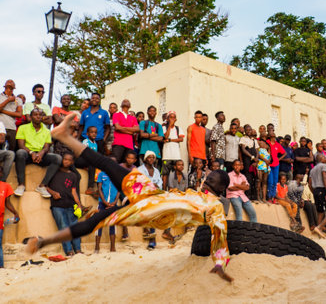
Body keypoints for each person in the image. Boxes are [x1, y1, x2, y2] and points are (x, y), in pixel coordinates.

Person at [27, 113, 233, 282]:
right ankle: (43, 241)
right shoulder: (196, 192)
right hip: (152, 195)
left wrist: (219, 264)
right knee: (108, 168)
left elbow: (220, 234)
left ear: (220, 187)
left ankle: (46, 240)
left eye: (212, 178)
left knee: (100, 218)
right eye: (209, 175)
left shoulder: (214, 206)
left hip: (155, 210)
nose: (208, 177)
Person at [15, 108, 62, 198]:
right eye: (35, 114)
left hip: (41, 155)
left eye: (40, 115)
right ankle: (21, 185)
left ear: (43, 117)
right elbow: (21, 145)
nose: (38, 116)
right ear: (31, 116)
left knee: (57, 158)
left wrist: (41, 153)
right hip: (27, 154)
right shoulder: (23, 128)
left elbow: (46, 147)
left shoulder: (47, 131)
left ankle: (42, 186)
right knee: (20, 153)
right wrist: (32, 153)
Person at [46, 153, 82, 256]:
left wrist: (79, 204)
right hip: (57, 206)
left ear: (72, 162)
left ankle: (78, 250)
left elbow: (73, 191)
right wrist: (53, 193)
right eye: (64, 159)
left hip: (70, 205)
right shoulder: (54, 172)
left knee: (75, 229)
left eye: (68, 160)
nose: (66, 161)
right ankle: (69, 251)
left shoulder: (73, 175)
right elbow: (44, 186)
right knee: (63, 228)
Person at [138, 151, 162, 249]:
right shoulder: (140, 170)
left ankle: (151, 236)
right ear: (145, 159)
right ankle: (151, 239)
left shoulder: (156, 171)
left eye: (153, 157)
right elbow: (139, 183)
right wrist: (150, 185)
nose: (151, 159)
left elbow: (160, 183)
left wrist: (155, 186)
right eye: (149, 157)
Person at [95, 169, 119, 253]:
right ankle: (97, 247)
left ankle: (112, 247)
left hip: (113, 203)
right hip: (102, 203)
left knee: (112, 224)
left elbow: (119, 190)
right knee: (99, 224)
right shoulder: (101, 174)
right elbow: (99, 188)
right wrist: (105, 202)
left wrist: (115, 202)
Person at [0, 165, 19, 268]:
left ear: (2, 174)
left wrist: (15, 212)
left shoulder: (5, 186)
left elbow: (7, 203)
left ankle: (1, 267)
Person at [161, 111, 184, 190]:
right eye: (170, 117)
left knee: (176, 173)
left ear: (176, 119)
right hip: (166, 155)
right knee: (165, 174)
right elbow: (165, 137)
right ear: (167, 119)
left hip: (176, 155)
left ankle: (175, 190)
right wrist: (170, 126)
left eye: (174, 117)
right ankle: (164, 191)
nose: (172, 119)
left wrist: (170, 140)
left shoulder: (178, 128)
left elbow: (181, 139)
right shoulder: (164, 128)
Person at [0, 80, 23, 151]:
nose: (10, 82)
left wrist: (2, 111)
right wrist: (8, 100)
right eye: (8, 82)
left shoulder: (18, 99)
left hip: (11, 128)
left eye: (12, 82)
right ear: (5, 86)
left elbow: (19, 114)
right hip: (0, 127)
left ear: (14, 87)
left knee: (11, 151)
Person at [309, 154, 326, 228]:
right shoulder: (324, 166)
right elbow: (324, 176)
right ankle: (320, 226)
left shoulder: (312, 169)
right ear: (321, 159)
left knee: (320, 211)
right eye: (324, 157)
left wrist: (314, 191)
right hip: (322, 189)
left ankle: (319, 227)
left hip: (316, 190)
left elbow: (310, 183)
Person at [239, 125, 259, 200]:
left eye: (250, 130)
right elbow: (243, 150)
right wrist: (252, 157)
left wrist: (256, 160)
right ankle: (247, 196)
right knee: (248, 178)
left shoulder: (254, 140)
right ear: (244, 131)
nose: (249, 131)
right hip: (247, 159)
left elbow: (257, 151)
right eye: (247, 130)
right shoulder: (243, 139)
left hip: (254, 161)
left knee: (254, 178)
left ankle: (254, 196)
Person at [266, 129, 286, 203]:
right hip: (269, 165)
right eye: (271, 136)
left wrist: (279, 159)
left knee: (275, 182)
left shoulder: (277, 144)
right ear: (269, 136)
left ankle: (273, 197)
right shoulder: (267, 143)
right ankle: (269, 197)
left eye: (274, 136)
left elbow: (284, 153)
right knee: (270, 181)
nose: (273, 137)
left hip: (276, 165)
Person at [80, 126, 98, 195]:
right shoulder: (85, 142)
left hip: (89, 162)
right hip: (82, 159)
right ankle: (90, 188)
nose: (94, 134)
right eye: (92, 132)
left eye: (95, 132)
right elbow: (82, 153)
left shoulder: (95, 144)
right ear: (87, 134)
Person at [256, 138, 271, 203]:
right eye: (261, 143)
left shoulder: (266, 150)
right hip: (260, 165)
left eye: (264, 143)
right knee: (259, 181)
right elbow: (258, 155)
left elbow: (270, 156)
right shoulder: (258, 149)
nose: (263, 144)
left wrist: (269, 161)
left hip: (266, 166)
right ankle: (258, 197)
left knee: (265, 182)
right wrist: (265, 160)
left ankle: (264, 198)